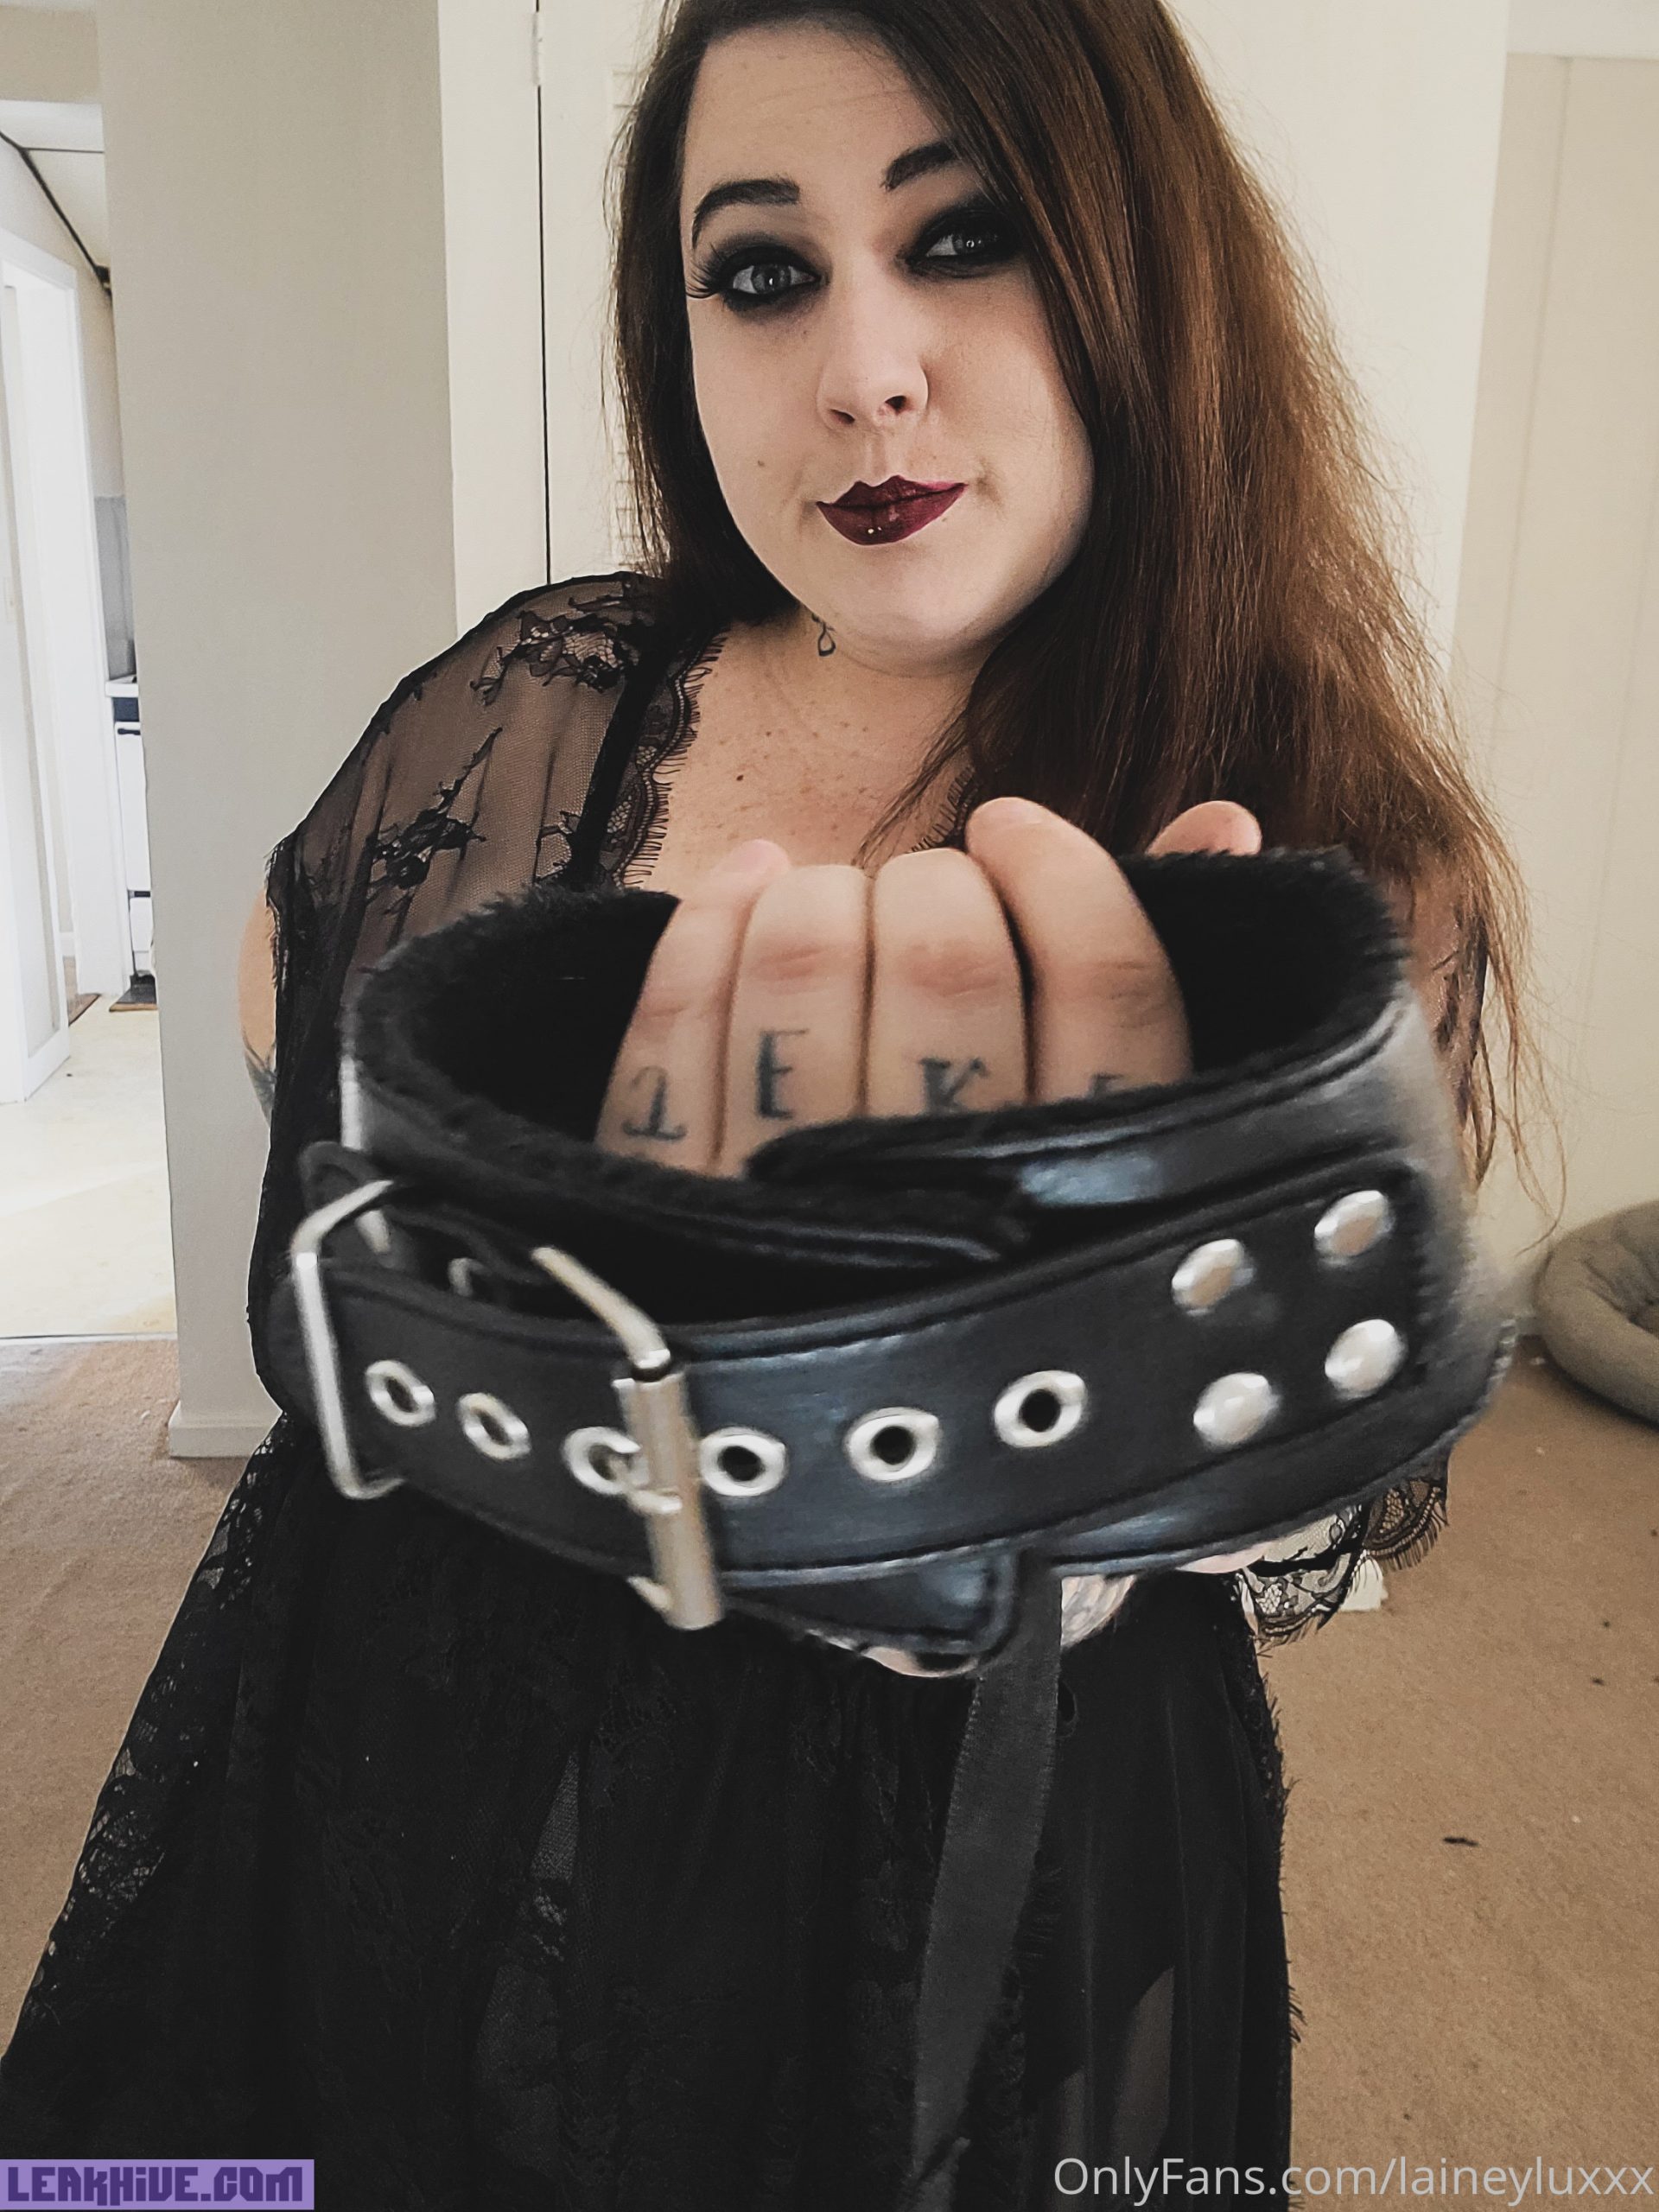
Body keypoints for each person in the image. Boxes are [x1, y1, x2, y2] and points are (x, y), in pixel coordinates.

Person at [0, 3, 1542, 2205]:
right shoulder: (520, 705)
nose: (862, 370)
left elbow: (1303, 1510)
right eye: (763, 270)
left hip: (984, 1827)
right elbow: (307, 1161)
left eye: (967, 236)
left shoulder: (1338, 865)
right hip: (423, 1716)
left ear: (1144, 267)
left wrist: (995, 1393)